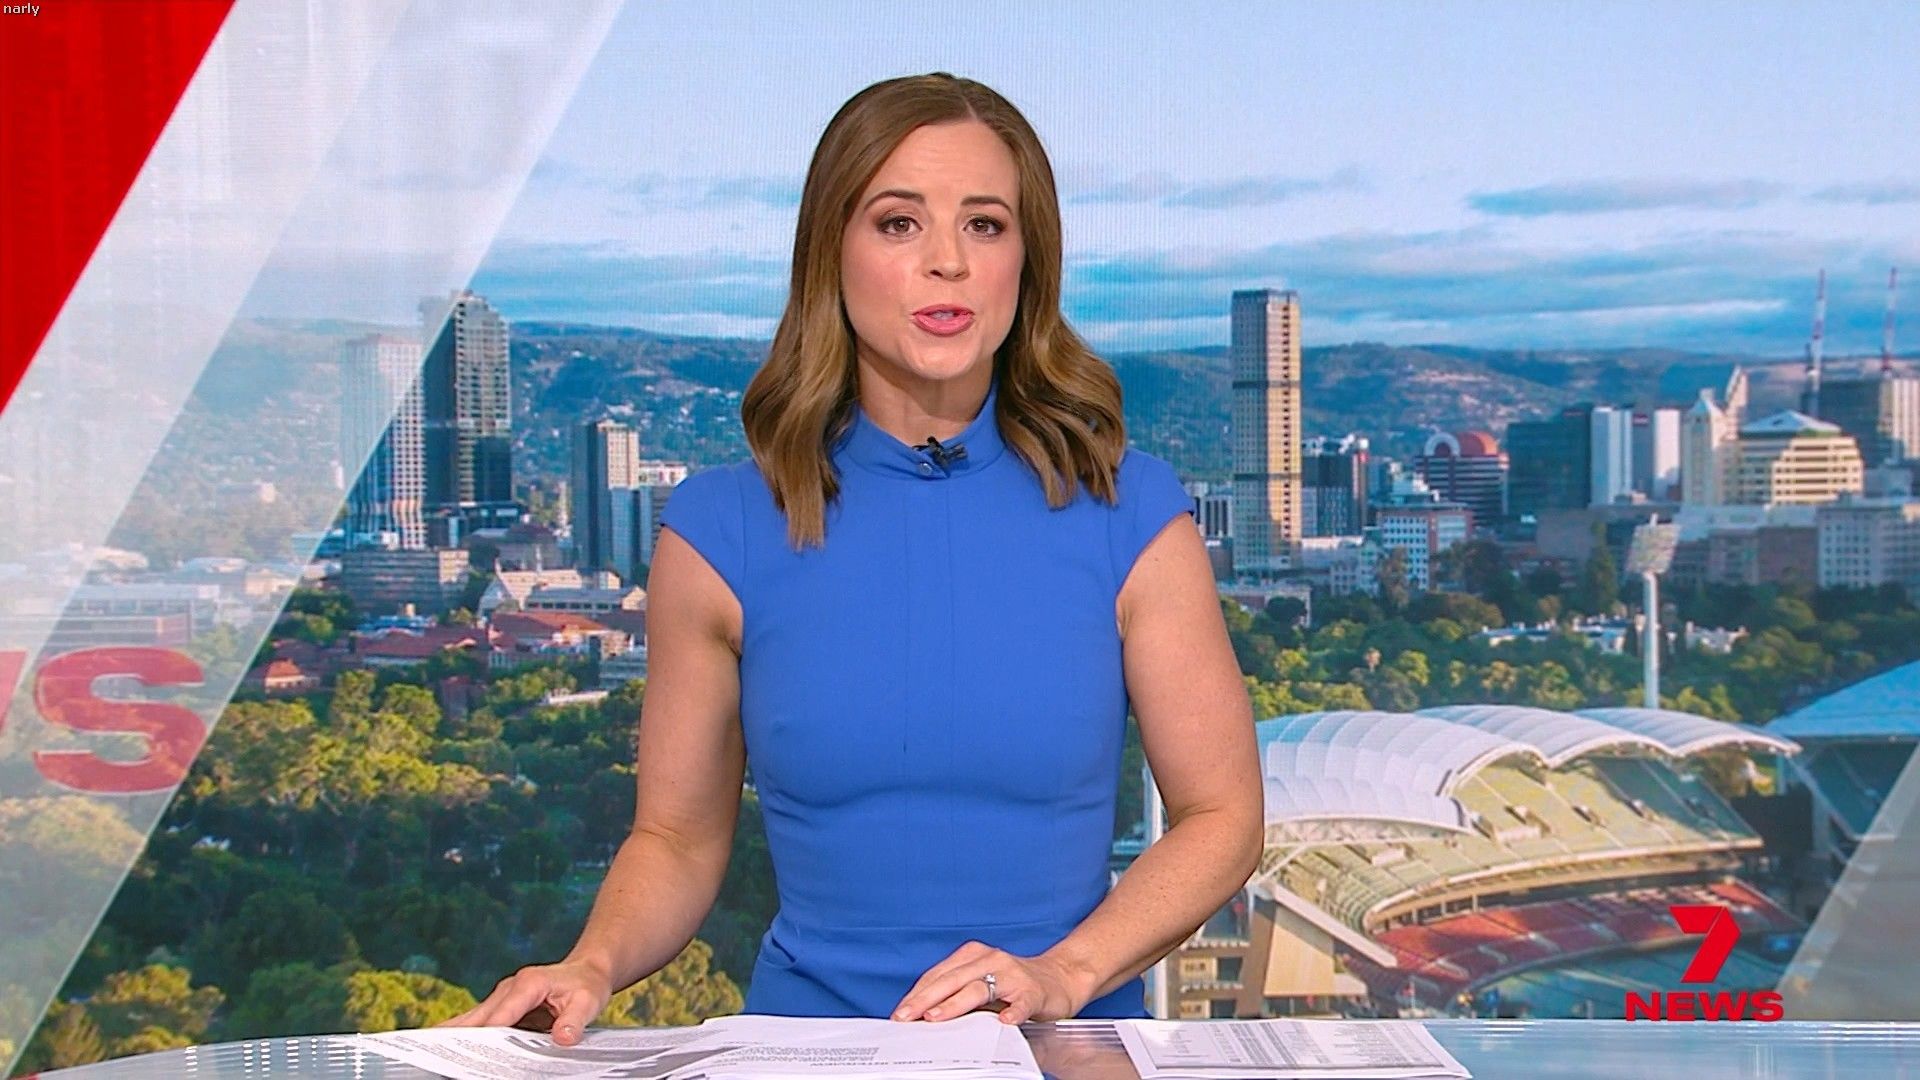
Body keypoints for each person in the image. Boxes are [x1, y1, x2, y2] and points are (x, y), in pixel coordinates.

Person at [442, 72, 1262, 1044]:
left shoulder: (1130, 515)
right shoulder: (719, 531)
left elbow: (1222, 817)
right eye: (899, 223)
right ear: (831, 252)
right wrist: (592, 962)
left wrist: (1062, 973)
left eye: (986, 225)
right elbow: (676, 839)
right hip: (808, 1049)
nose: (948, 262)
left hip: (1062, 1047)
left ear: (1028, 262)